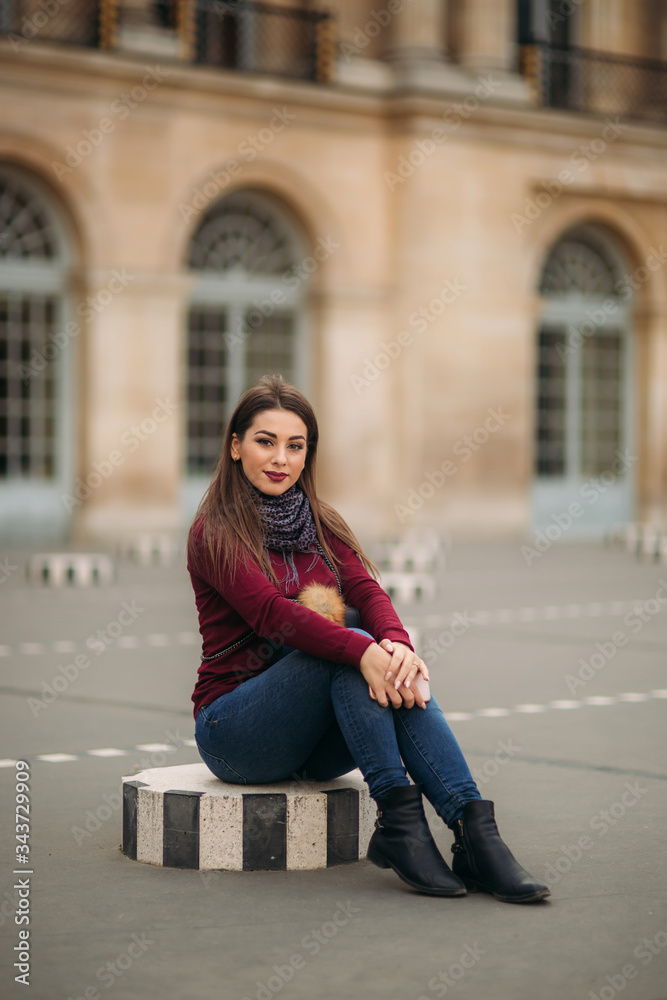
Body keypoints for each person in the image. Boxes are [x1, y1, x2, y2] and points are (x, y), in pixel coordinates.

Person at [187, 374, 550, 903]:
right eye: (265, 442)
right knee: (351, 646)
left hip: (314, 741)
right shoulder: (214, 532)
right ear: (236, 445)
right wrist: (366, 649)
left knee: (372, 649)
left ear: (308, 454)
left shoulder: (321, 523)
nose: (280, 459)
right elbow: (272, 616)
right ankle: (402, 826)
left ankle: (473, 831)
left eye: (296, 446)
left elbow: (366, 588)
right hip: (236, 731)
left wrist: (399, 645)